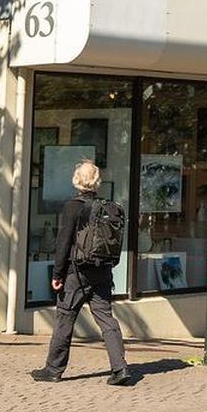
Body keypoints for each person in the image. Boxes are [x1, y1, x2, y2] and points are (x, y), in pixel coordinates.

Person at [33, 160, 132, 386]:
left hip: (76, 273)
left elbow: (63, 243)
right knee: (106, 318)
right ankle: (120, 368)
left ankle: (53, 369)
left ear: (77, 180)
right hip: (102, 271)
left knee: (65, 317)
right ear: (97, 182)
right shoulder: (106, 207)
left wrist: (57, 274)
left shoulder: (73, 207)